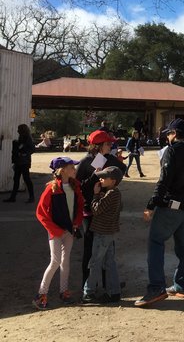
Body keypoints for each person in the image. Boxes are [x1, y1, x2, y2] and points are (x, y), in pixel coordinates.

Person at [135, 118, 184, 307]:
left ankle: (156, 288)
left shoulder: (171, 151)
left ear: (174, 134)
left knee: (156, 242)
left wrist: (151, 205)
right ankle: (182, 285)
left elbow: (163, 182)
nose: (167, 137)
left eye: (168, 134)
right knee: (183, 246)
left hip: (170, 205)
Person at [76, 129, 126, 288]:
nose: (111, 145)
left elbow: (121, 171)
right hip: (90, 211)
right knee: (90, 250)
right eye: (108, 143)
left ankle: (108, 283)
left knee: (108, 249)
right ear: (98, 146)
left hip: (105, 210)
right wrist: (94, 177)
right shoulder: (88, 161)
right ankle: (87, 285)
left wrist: (117, 160)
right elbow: (78, 187)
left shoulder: (107, 158)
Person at [32, 157, 84, 310]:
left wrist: (76, 222)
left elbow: (80, 206)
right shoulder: (52, 188)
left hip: (69, 229)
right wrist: (54, 230)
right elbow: (40, 212)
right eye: (72, 168)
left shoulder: (75, 186)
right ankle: (41, 294)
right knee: (55, 261)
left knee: (65, 260)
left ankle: (64, 292)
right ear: (62, 170)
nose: (75, 170)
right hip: (55, 231)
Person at [82, 166, 123, 304]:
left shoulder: (111, 194)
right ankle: (114, 292)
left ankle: (89, 292)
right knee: (109, 262)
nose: (101, 179)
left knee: (95, 262)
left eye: (104, 177)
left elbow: (96, 209)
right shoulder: (114, 193)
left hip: (102, 232)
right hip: (109, 232)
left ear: (113, 181)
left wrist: (95, 194)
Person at [4, 124, 36, 203]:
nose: (17, 131)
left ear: (22, 130)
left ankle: (30, 197)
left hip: (23, 162)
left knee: (25, 179)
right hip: (20, 162)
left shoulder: (27, 138)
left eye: (19, 129)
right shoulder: (22, 138)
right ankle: (14, 197)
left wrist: (24, 153)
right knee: (17, 179)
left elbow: (31, 149)